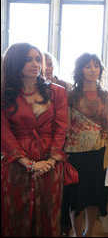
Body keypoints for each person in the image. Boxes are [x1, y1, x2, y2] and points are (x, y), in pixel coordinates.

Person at [1, 43, 68, 236]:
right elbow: (4, 132)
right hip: (16, 163)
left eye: (38, 59)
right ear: (15, 63)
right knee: (16, 214)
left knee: (48, 214)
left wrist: (51, 160)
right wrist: (28, 163)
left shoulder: (57, 92)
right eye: (28, 59)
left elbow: (61, 128)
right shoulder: (5, 93)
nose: (35, 64)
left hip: (50, 164)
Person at [61, 53, 108, 237]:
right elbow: (64, 125)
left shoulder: (106, 96)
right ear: (80, 70)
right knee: (75, 199)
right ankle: (77, 233)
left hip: (98, 152)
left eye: (96, 66)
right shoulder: (70, 95)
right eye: (88, 66)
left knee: (94, 197)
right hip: (74, 154)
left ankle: (89, 232)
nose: (93, 70)